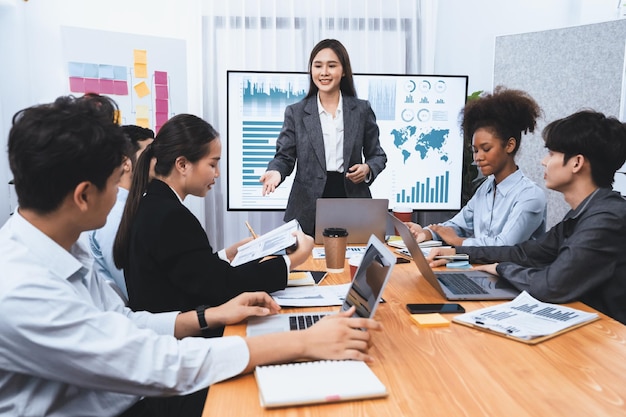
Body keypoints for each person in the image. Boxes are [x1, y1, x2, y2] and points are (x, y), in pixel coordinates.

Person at [0, 95, 381, 417]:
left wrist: (211, 315)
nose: (120, 193)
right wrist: (305, 342)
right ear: (83, 196)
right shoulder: (21, 291)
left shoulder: (66, 247)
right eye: (115, 181)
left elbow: (127, 325)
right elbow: (154, 362)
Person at [113, 114, 315, 335]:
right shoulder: (170, 216)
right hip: (186, 339)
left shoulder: (152, 204)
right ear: (182, 164)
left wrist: (227, 254)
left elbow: (191, 272)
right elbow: (224, 287)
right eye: (212, 164)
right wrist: (291, 261)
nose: (217, 173)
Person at [427, 110, 626, 325]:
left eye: (551, 154)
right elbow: (526, 253)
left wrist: (500, 268)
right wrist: (457, 252)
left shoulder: (606, 219)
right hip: (584, 326)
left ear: (576, 163)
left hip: (609, 341)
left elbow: (552, 284)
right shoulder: (583, 214)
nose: (543, 161)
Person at [260, 39, 387, 236]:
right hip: (307, 206)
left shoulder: (361, 110)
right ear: (311, 70)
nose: (324, 72)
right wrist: (276, 173)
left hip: (351, 198)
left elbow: (377, 155)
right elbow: (284, 157)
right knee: (309, 264)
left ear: (343, 71)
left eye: (332, 65)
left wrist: (367, 168)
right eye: (318, 66)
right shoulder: (296, 112)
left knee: (354, 258)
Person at [407, 86, 547, 246]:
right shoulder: (486, 189)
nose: (478, 157)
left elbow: (504, 246)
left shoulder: (530, 196)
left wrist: (458, 242)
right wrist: (426, 233)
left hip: (511, 270)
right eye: (475, 150)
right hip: (481, 268)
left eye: (486, 149)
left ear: (509, 145)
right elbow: (457, 225)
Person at [88, 125, 154, 302]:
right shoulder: (115, 214)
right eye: (149, 154)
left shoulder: (134, 206)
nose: (157, 161)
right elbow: (133, 287)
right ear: (126, 163)